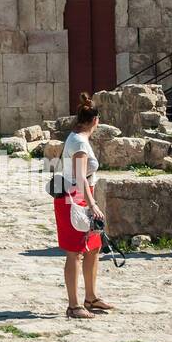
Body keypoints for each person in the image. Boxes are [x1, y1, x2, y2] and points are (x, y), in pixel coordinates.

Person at [56, 93, 113, 320]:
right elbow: (80, 177)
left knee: (93, 247)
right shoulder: (79, 142)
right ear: (95, 120)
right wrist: (93, 204)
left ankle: (90, 297)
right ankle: (73, 305)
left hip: (81, 199)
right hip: (74, 201)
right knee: (75, 253)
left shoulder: (79, 138)